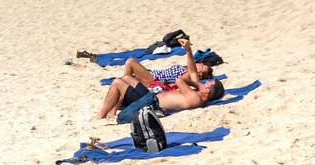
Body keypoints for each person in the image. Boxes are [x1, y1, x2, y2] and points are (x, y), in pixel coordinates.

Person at [94, 37, 223, 122]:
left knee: (117, 82)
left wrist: (196, 84)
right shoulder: (195, 94)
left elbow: (179, 80)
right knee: (125, 78)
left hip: (151, 101)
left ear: (207, 92)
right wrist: (188, 50)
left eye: (206, 84)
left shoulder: (196, 98)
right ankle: (110, 112)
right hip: (152, 95)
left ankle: (100, 116)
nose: (203, 83)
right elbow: (191, 71)